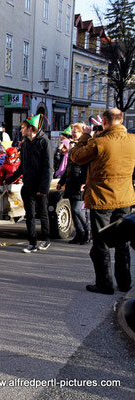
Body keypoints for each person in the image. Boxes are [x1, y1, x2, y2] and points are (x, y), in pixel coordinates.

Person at [71, 108, 135, 295]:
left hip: (102, 199)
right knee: (122, 243)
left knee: (101, 245)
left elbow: (76, 156)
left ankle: (105, 284)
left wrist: (85, 136)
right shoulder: (133, 141)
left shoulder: (99, 143)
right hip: (124, 198)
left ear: (105, 122)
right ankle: (124, 283)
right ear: (121, 120)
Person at [5, 115, 53, 253]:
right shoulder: (25, 144)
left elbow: (48, 167)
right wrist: (10, 179)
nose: (21, 131)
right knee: (29, 215)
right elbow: (22, 167)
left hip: (40, 186)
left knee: (42, 214)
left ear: (31, 128)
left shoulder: (44, 142)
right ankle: (32, 242)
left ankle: (45, 239)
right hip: (28, 185)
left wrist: (43, 188)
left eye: (23, 128)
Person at [57, 123, 88, 245]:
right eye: (73, 131)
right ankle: (79, 234)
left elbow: (86, 166)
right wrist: (61, 181)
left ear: (82, 133)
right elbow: (69, 166)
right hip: (71, 181)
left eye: (76, 131)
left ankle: (86, 232)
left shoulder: (85, 146)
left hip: (80, 181)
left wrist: (85, 181)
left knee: (77, 209)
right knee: (73, 209)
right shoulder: (72, 146)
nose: (73, 133)